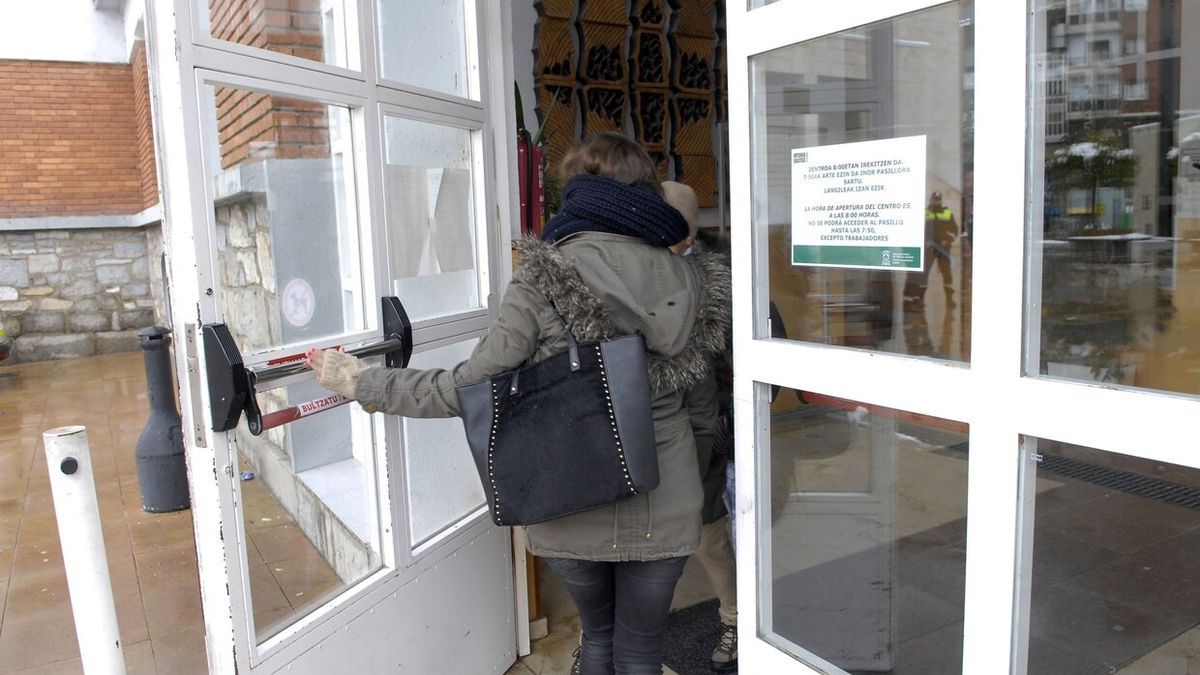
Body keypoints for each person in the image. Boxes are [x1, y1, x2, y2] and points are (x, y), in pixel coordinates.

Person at [305, 133, 731, 675]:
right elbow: (700, 413)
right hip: (665, 507)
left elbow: (470, 387)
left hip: (565, 501)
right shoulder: (695, 281)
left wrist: (364, 382)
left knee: (598, 639)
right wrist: (680, 487)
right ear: (647, 193)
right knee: (642, 649)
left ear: (576, 195)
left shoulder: (543, 279)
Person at [662, 181, 738, 672]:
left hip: (703, 430)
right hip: (652, 429)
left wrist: (727, 423)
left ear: (688, 233)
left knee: (709, 535)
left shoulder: (719, 282)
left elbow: (746, 362)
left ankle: (735, 619)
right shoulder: (638, 272)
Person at [902, 191, 958, 355]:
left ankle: (950, 299)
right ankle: (919, 300)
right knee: (922, 276)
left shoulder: (947, 212)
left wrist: (947, 239)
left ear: (940, 200)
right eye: (933, 199)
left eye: (937, 199)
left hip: (943, 249)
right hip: (928, 250)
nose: (935, 201)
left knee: (947, 276)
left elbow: (954, 229)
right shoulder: (924, 212)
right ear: (930, 200)